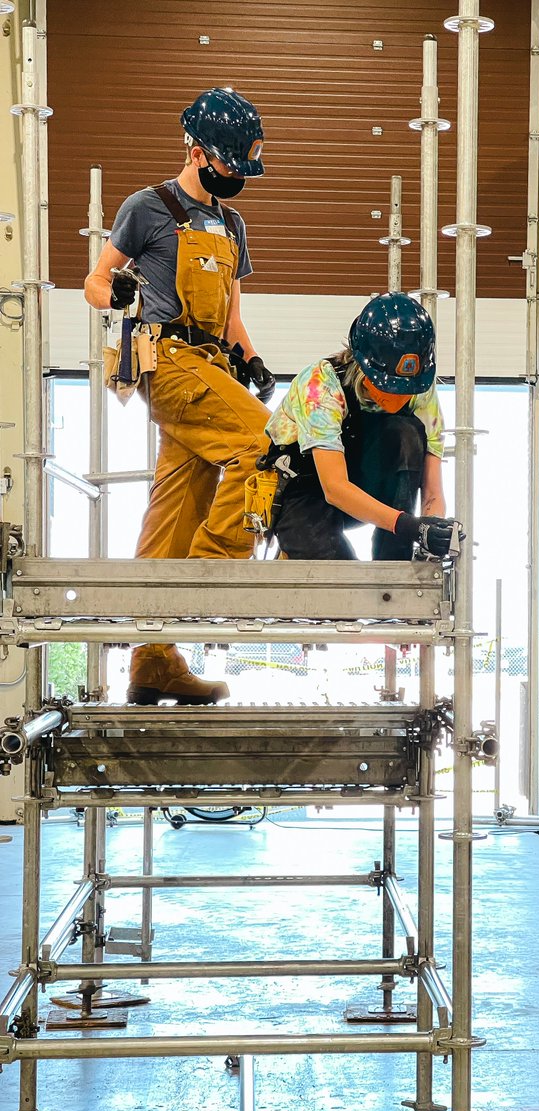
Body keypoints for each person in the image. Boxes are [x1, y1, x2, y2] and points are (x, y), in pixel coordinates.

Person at [84, 86, 275, 705]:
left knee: (175, 510)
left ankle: (152, 662)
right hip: (167, 361)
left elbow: (232, 317)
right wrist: (114, 293)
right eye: (228, 165)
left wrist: (252, 359)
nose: (235, 178)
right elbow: (95, 278)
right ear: (197, 152)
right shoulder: (149, 206)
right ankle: (209, 582)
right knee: (264, 443)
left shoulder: (233, 224)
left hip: (213, 364)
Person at [262, 292, 461, 560]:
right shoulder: (320, 385)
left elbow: (432, 491)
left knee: (406, 433)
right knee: (338, 572)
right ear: (363, 366)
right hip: (307, 487)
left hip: (364, 477)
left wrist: (432, 531)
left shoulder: (421, 388)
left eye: (407, 388)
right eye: (390, 386)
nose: (401, 395)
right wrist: (408, 525)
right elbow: (334, 487)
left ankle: (394, 560)